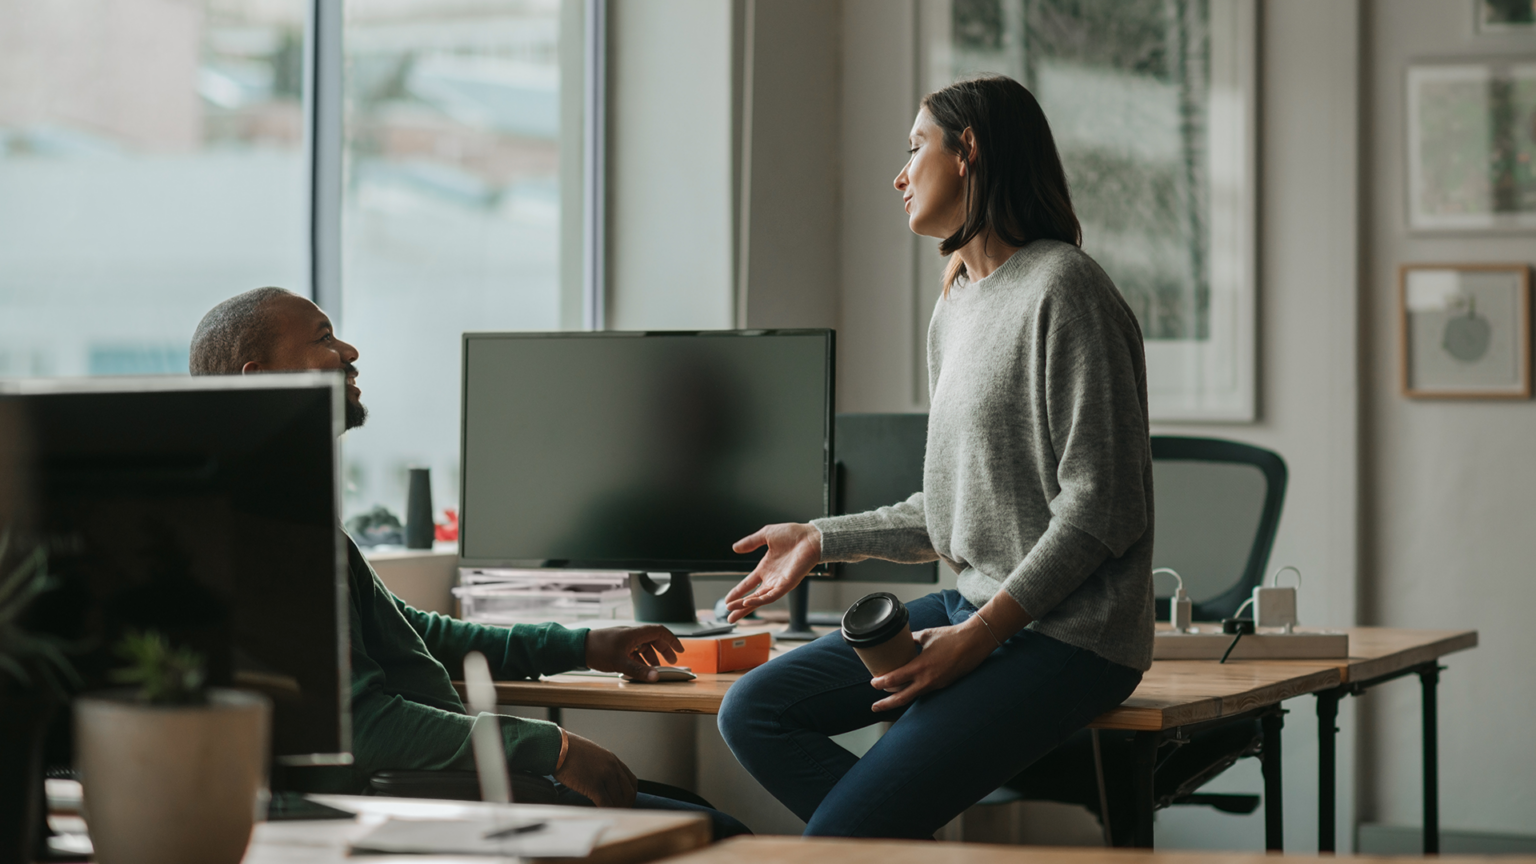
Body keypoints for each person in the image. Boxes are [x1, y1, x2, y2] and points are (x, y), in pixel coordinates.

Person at [715, 75, 1155, 839]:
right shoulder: (955, 303)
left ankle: (866, 836)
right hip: (972, 607)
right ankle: (878, 836)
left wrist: (976, 640)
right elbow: (948, 508)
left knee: (842, 839)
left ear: (968, 150)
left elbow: (1103, 508)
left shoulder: (1066, 289)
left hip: (1072, 640)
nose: (900, 174)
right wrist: (820, 537)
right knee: (754, 710)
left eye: (916, 145)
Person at [189, 287, 749, 837]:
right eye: (323, 338)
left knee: (696, 808)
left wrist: (582, 647)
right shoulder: (265, 531)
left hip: (438, 782)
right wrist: (554, 748)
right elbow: (357, 728)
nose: (350, 352)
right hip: (402, 804)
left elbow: (414, 635)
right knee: (721, 832)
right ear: (257, 377)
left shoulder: (286, 509)